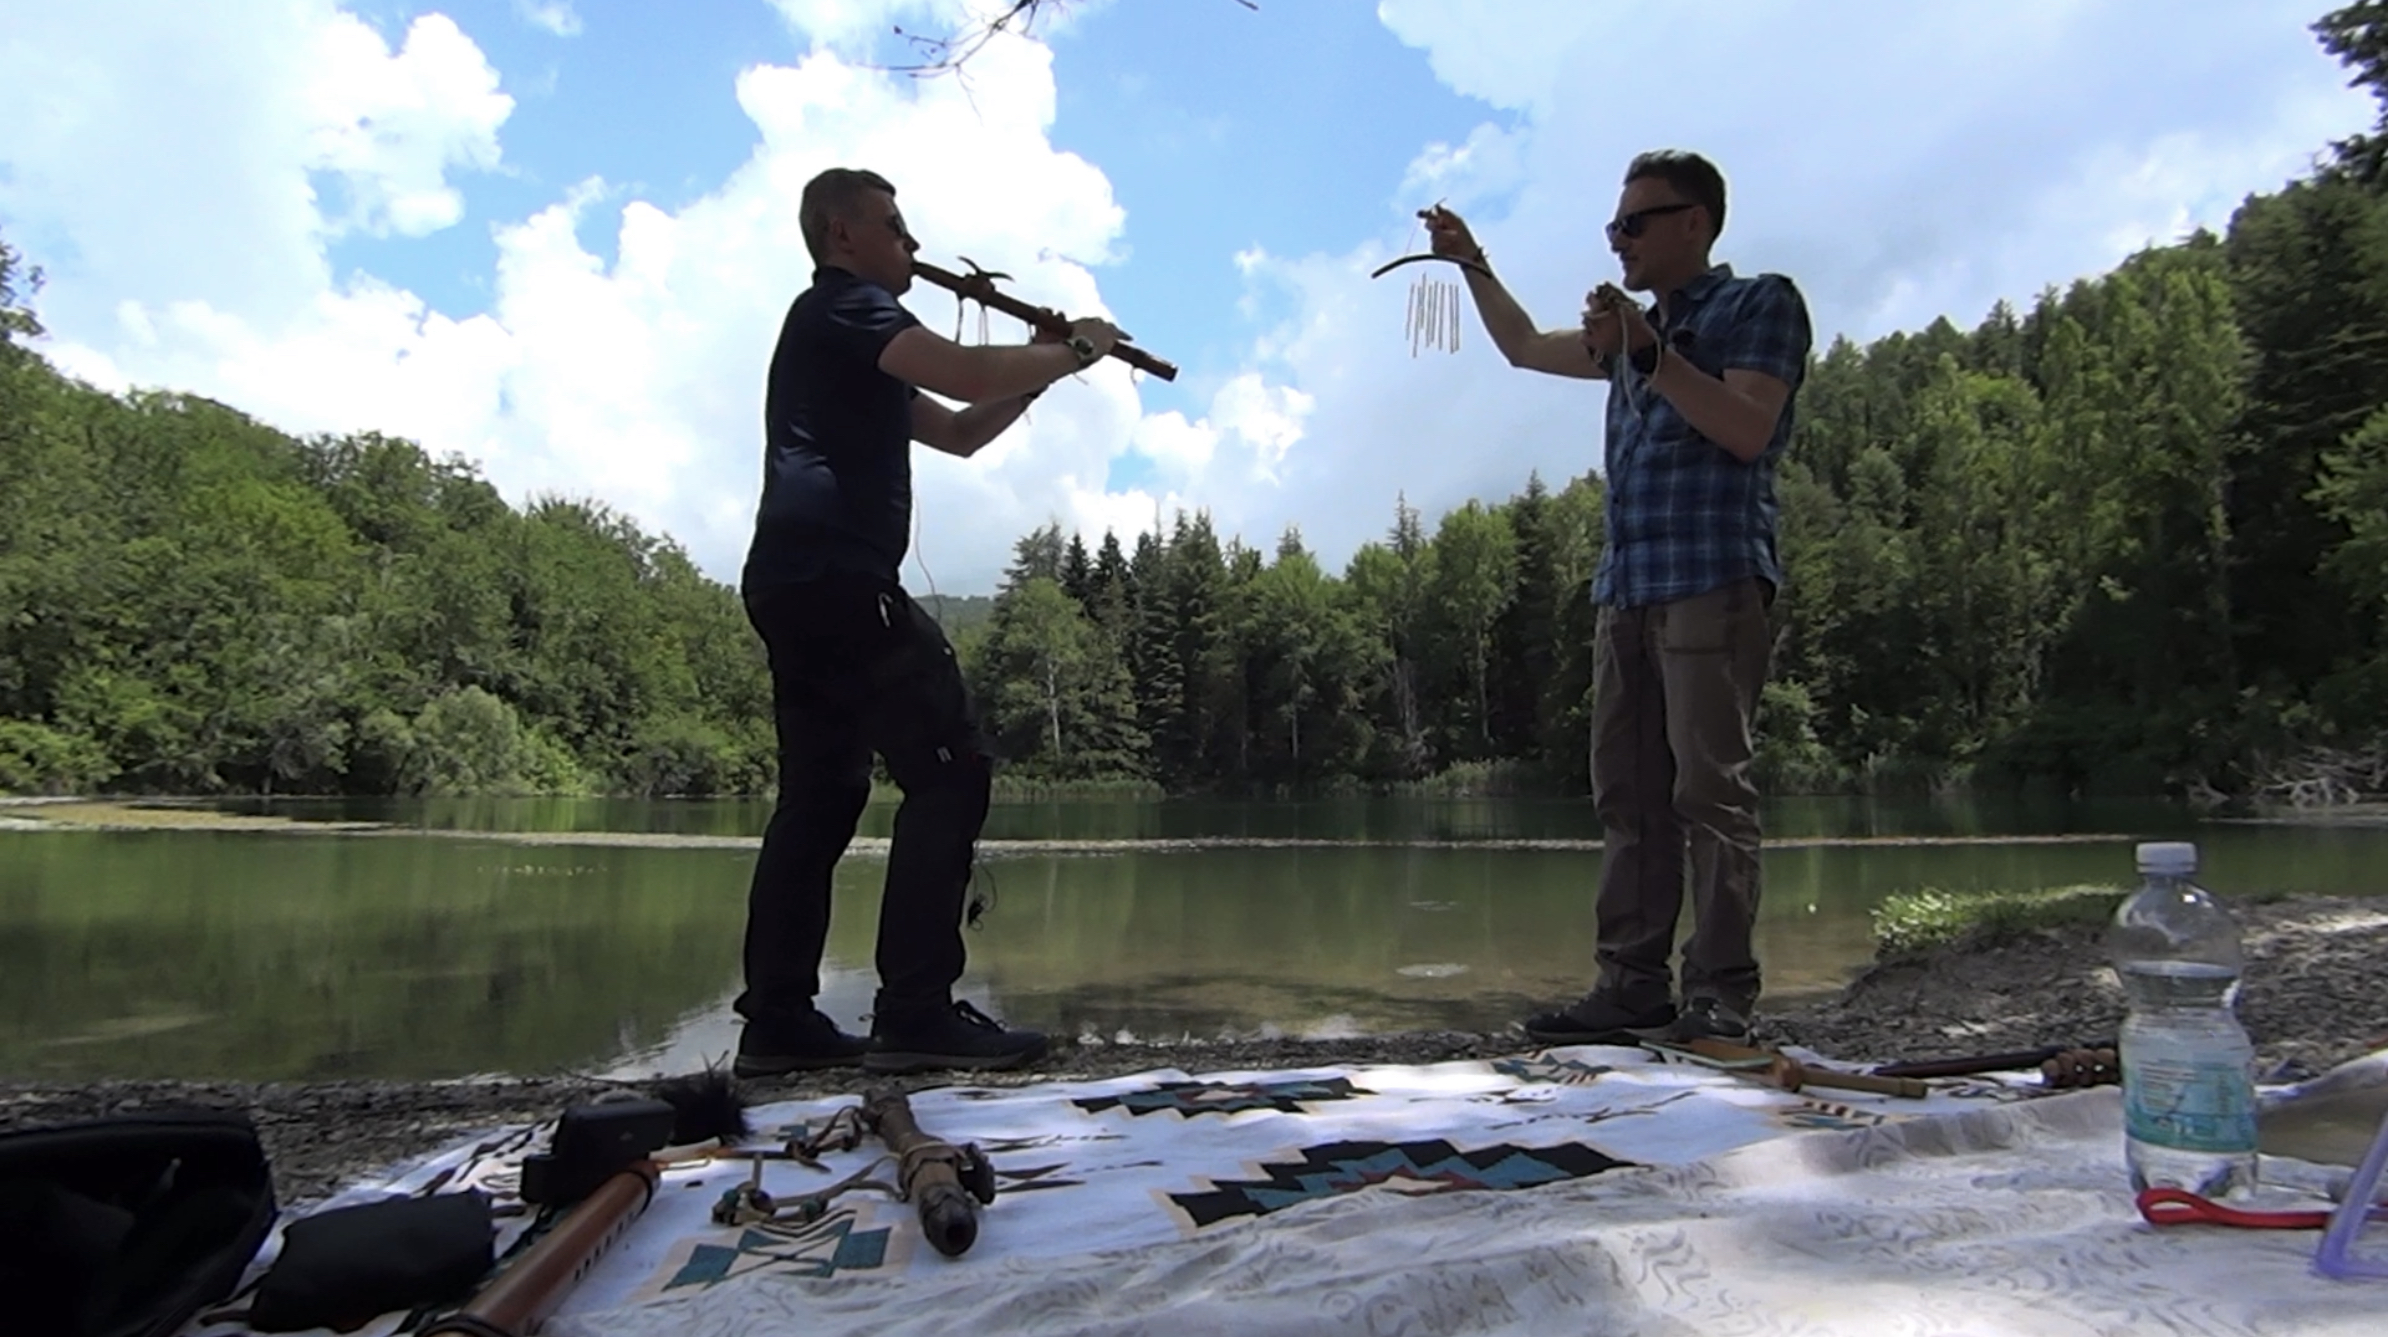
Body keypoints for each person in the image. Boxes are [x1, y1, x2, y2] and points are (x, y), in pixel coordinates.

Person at [731, 167, 1126, 1078]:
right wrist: (1077, 350)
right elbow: (956, 365)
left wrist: (1038, 376)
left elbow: (958, 429)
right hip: (835, 575)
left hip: (796, 582)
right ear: (842, 236)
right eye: (895, 228)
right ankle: (914, 1010)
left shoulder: (851, 345)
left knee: (823, 797)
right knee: (951, 772)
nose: (912, 245)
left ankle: (779, 1024)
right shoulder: (843, 307)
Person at [1428, 150, 1812, 1045]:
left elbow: (1749, 429)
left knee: (1711, 795)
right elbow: (1524, 348)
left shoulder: (1760, 303)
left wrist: (1649, 351)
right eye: (1613, 227)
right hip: (1627, 589)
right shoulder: (1637, 336)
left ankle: (1720, 994)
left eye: (1635, 224)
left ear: (1695, 222)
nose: (1619, 241)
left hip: (1712, 579)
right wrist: (1472, 263)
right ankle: (1630, 985)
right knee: (1628, 799)